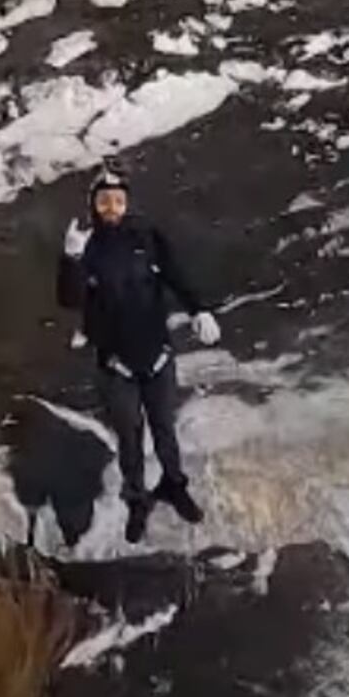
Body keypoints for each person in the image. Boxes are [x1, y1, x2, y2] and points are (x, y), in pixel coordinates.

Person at [57, 165, 222, 543]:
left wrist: (199, 308)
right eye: (104, 202)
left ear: (126, 203)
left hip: (157, 355)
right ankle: (137, 500)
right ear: (94, 206)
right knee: (130, 438)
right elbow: (70, 298)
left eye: (118, 201)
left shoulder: (146, 236)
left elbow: (175, 274)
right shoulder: (87, 245)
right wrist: (71, 260)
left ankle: (174, 485)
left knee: (165, 429)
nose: (112, 207)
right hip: (116, 366)